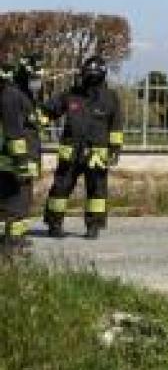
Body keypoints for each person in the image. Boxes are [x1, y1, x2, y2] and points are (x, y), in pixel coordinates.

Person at [43, 55, 124, 239]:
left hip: (96, 155)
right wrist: (35, 120)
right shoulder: (71, 94)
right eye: (86, 74)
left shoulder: (110, 98)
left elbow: (116, 126)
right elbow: (50, 110)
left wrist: (115, 149)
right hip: (71, 153)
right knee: (60, 189)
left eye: (91, 74)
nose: (87, 78)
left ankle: (93, 226)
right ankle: (54, 224)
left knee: (97, 192)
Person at [0, 56, 44, 253]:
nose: (37, 81)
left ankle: (17, 239)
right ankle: (10, 246)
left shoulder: (24, 94)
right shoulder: (12, 95)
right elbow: (13, 132)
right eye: (34, 77)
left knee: (23, 202)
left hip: (25, 160)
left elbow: (27, 125)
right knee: (14, 205)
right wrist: (21, 160)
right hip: (14, 162)